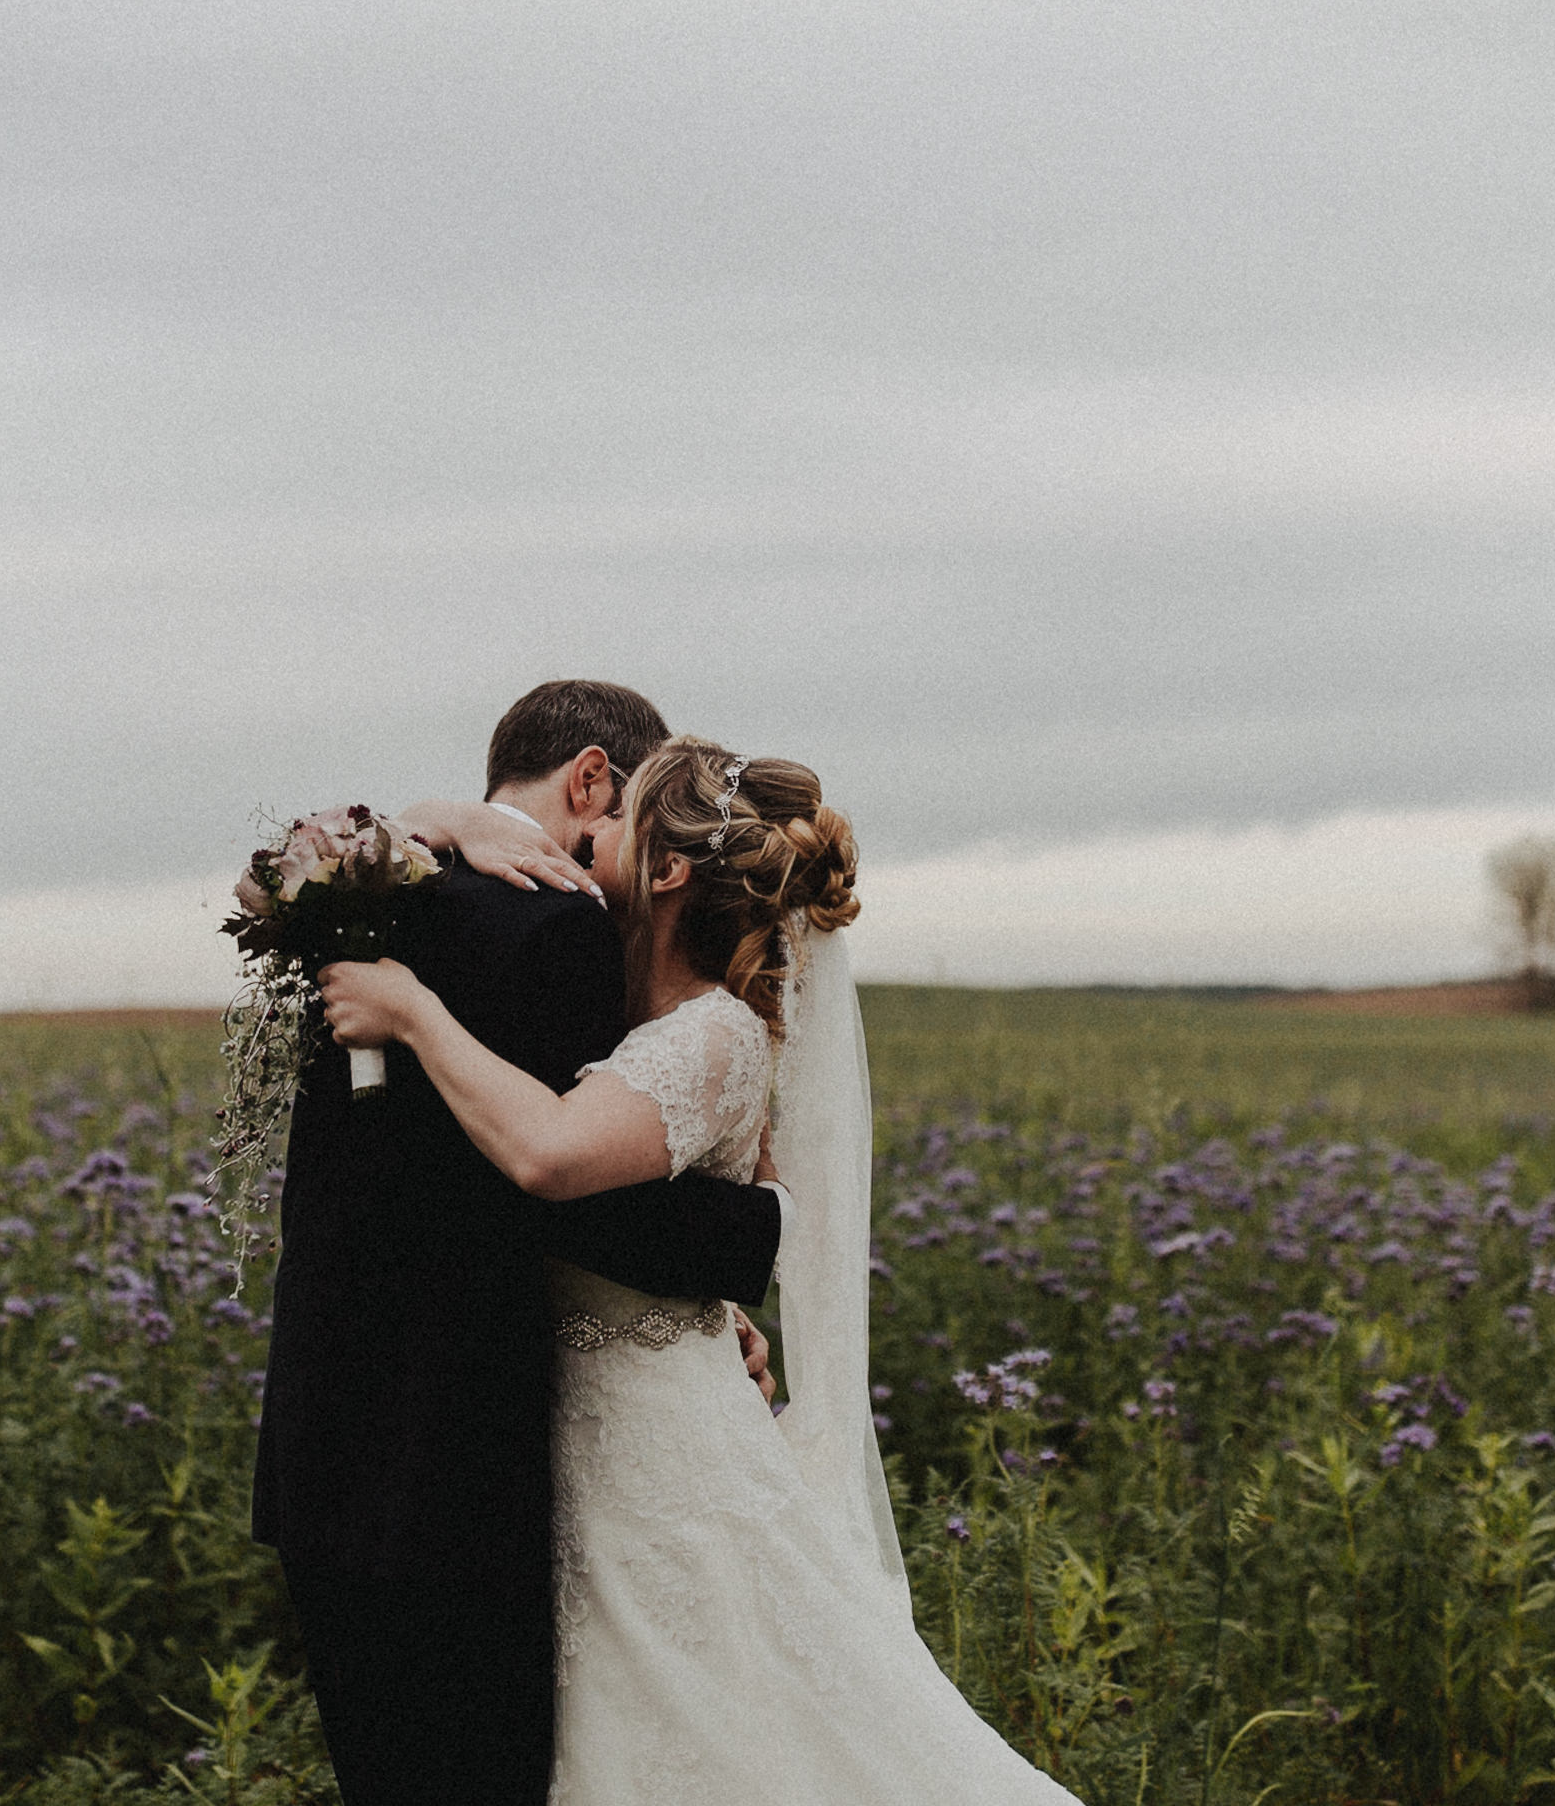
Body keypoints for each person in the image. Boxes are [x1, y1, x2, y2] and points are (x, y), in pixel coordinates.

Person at [321, 738, 1081, 1805]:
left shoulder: (715, 1034)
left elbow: (547, 1153)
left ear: (670, 869)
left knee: (734, 1727)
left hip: (660, 1448)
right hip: (600, 1432)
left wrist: (410, 1012)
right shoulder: (643, 1012)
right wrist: (444, 814)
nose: (593, 833)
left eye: (622, 814)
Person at [248, 682, 789, 1806]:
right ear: (589, 779)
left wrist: (432, 817)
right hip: (454, 1474)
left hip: (325, 1446)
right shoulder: (554, 930)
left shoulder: (353, 902)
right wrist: (765, 1233)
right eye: (628, 811)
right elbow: (570, 1192)